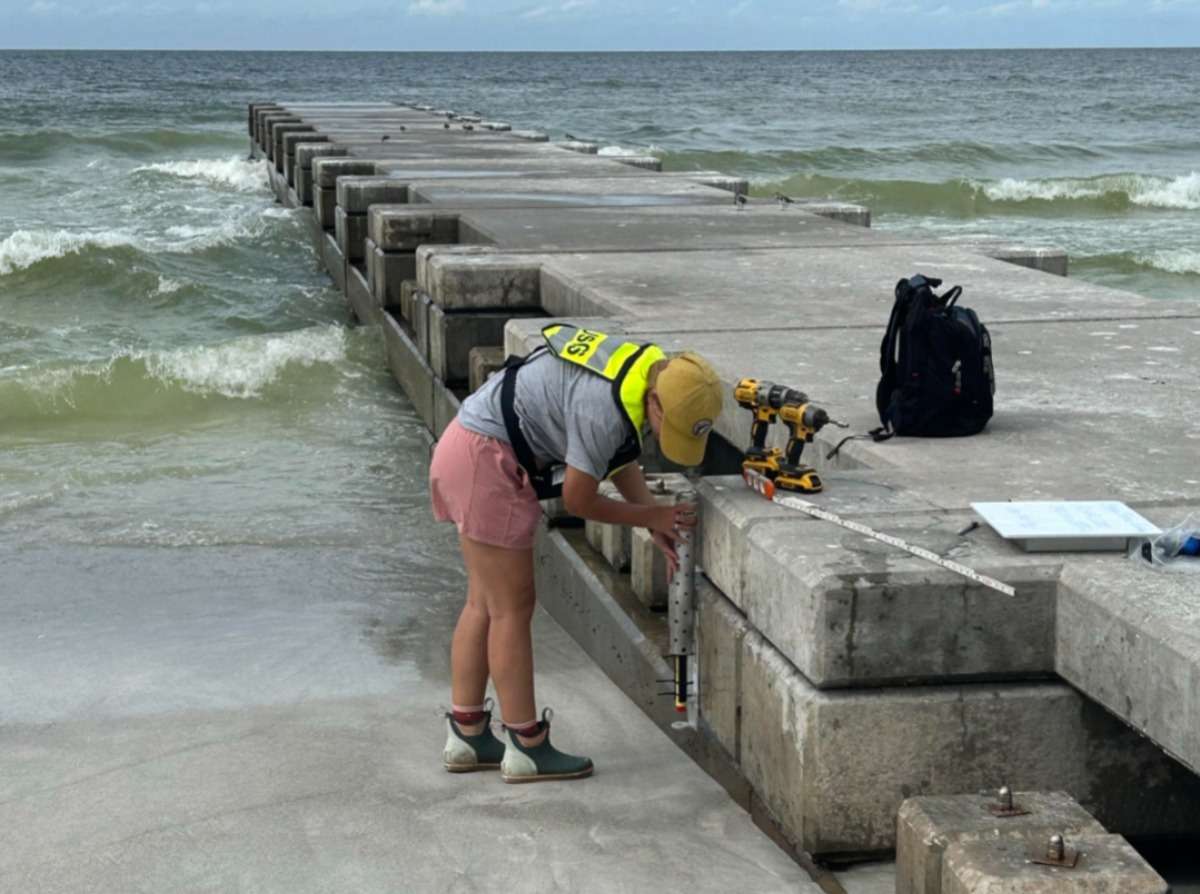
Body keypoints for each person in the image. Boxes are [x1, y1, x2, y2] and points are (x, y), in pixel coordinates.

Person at [430, 323, 723, 783]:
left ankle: (467, 736)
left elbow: (618, 457)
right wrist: (651, 517)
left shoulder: (637, 372)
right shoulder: (601, 408)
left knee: (483, 603)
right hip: (488, 461)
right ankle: (527, 745)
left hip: (467, 448)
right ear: (655, 403)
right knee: (511, 609)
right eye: (671, 428)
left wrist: (649, 515)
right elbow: (578, 500)